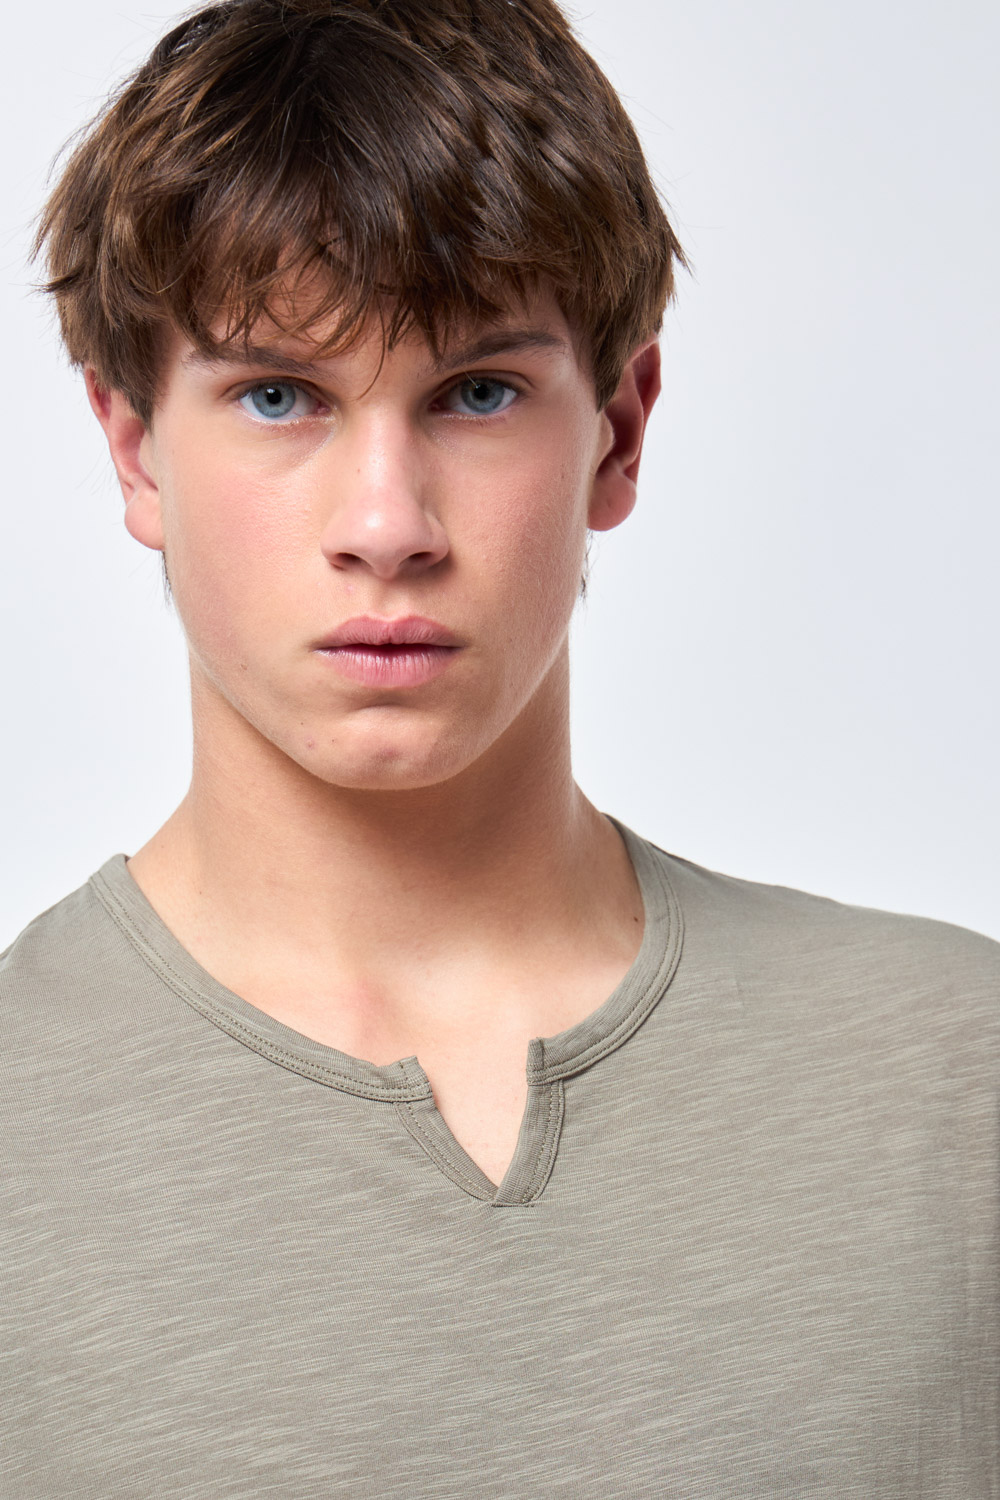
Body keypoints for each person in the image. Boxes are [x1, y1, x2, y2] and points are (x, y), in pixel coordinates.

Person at [2, 0, 996, 1493]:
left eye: (477, 393)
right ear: (135, 446)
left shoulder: (957, 1083)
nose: (386, 526)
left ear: (619, 431)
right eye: (278, 395)